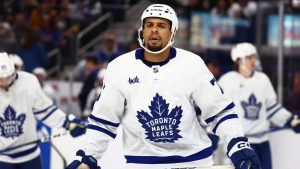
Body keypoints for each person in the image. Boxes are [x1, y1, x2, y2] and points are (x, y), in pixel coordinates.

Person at [67, 4, 261, 169]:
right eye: (149, 25)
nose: (154, 30)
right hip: (142, 165)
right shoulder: (119, 68)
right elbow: (103, 121)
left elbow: (219, 112)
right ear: (141, 31)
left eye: (161, 25)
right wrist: (88, 155)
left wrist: (237, 143)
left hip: (193, 162)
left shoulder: (192, 64)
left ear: (172, 32)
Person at [218, 42, 300, 169]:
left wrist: (290, 120)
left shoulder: (263, 79)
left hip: (263, 141)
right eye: (249, 57)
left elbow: (272, 109)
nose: (253, 61)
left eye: (254, 57)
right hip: (241, 144)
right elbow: (217, 110)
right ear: (239, 61)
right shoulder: (227, 81)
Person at [0, 52, 86, 169]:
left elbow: (45, 110)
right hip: (3, 158)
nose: (4, 82)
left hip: (30, 156)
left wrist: (67, 123)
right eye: (1, 79)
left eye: (8, 78)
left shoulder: (28, 81)